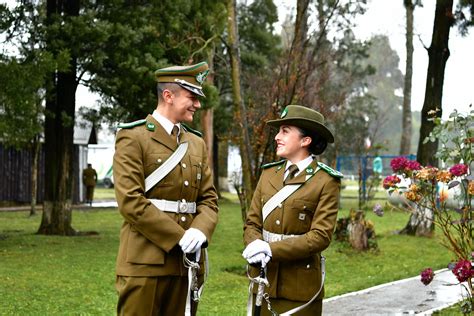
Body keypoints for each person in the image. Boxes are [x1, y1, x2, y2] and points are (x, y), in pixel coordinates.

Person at [113, 61, 218, 316]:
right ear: (168, 96)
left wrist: (200, 231)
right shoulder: (134, 137)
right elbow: (131, 202)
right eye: (192, 97)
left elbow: (209, 200)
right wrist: (179, 236)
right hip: (145, 263)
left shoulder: (196, 143)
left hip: (187, 266)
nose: (197, 104)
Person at [242, 105, 343, 316]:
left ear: (306, 141)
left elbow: (320, 236)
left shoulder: (326, 181)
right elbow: (252, 223)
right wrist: (255, 245)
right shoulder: (268, 174)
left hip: (300, 288)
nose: (277, 136)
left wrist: (271, 250)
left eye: (285, 131)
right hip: (262, 280)